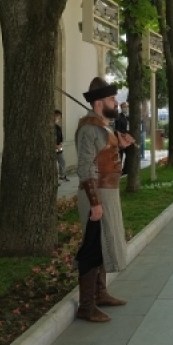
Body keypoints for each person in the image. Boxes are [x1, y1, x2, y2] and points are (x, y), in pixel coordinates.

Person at [74, 77, 132, 323]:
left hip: (107, 192)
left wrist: (122, 147)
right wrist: (95, 202)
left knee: (102, 243)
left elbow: (107, 161)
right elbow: (85, 169)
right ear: (99, 103)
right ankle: (86, 306)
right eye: (111, 99)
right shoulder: (89, 129)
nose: (115, 102)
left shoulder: (105, 127)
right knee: (92, 247)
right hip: (96, 194)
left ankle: (101, 293)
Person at [55, 109, 69, 182]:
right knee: (55, 166)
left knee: (62, 161)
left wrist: (60, 144)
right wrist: (54, 145)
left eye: (59, 117)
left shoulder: (58, 128)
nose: (58, 119)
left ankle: (62, 175)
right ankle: (55, 179)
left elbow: (61, 138)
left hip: (58, 149)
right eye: (57, 116)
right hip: (53, 148)